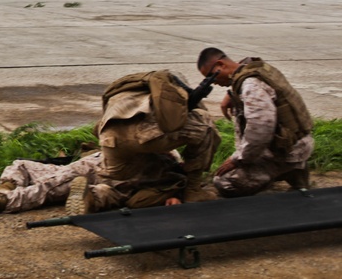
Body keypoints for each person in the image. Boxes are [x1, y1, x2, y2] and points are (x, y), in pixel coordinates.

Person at [69, 69, 221, 214]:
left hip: (111, 141)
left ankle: (94, 196)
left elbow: (97, 130)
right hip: (147, 140)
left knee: (121, 187)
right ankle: (193, 191)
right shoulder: (171, 94)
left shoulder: (131, 88)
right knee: (206, 124)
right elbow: (200, 123)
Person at [197, 47, 314, 197]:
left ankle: (281, 171)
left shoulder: (251, 86)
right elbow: (244, 63)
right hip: (297, 142)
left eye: (212, 77)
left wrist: (238, 159)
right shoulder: (253, 69)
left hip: (285, 151)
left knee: (224, 182)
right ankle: (294, 171)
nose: (213, 83)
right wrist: (231, 94)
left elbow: (261, 129)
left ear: (221, 65)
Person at [0, 153, 101, 215]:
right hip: (73, 167)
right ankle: (4, 189)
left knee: (49, 185)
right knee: (21, 165)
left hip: (90, 174)